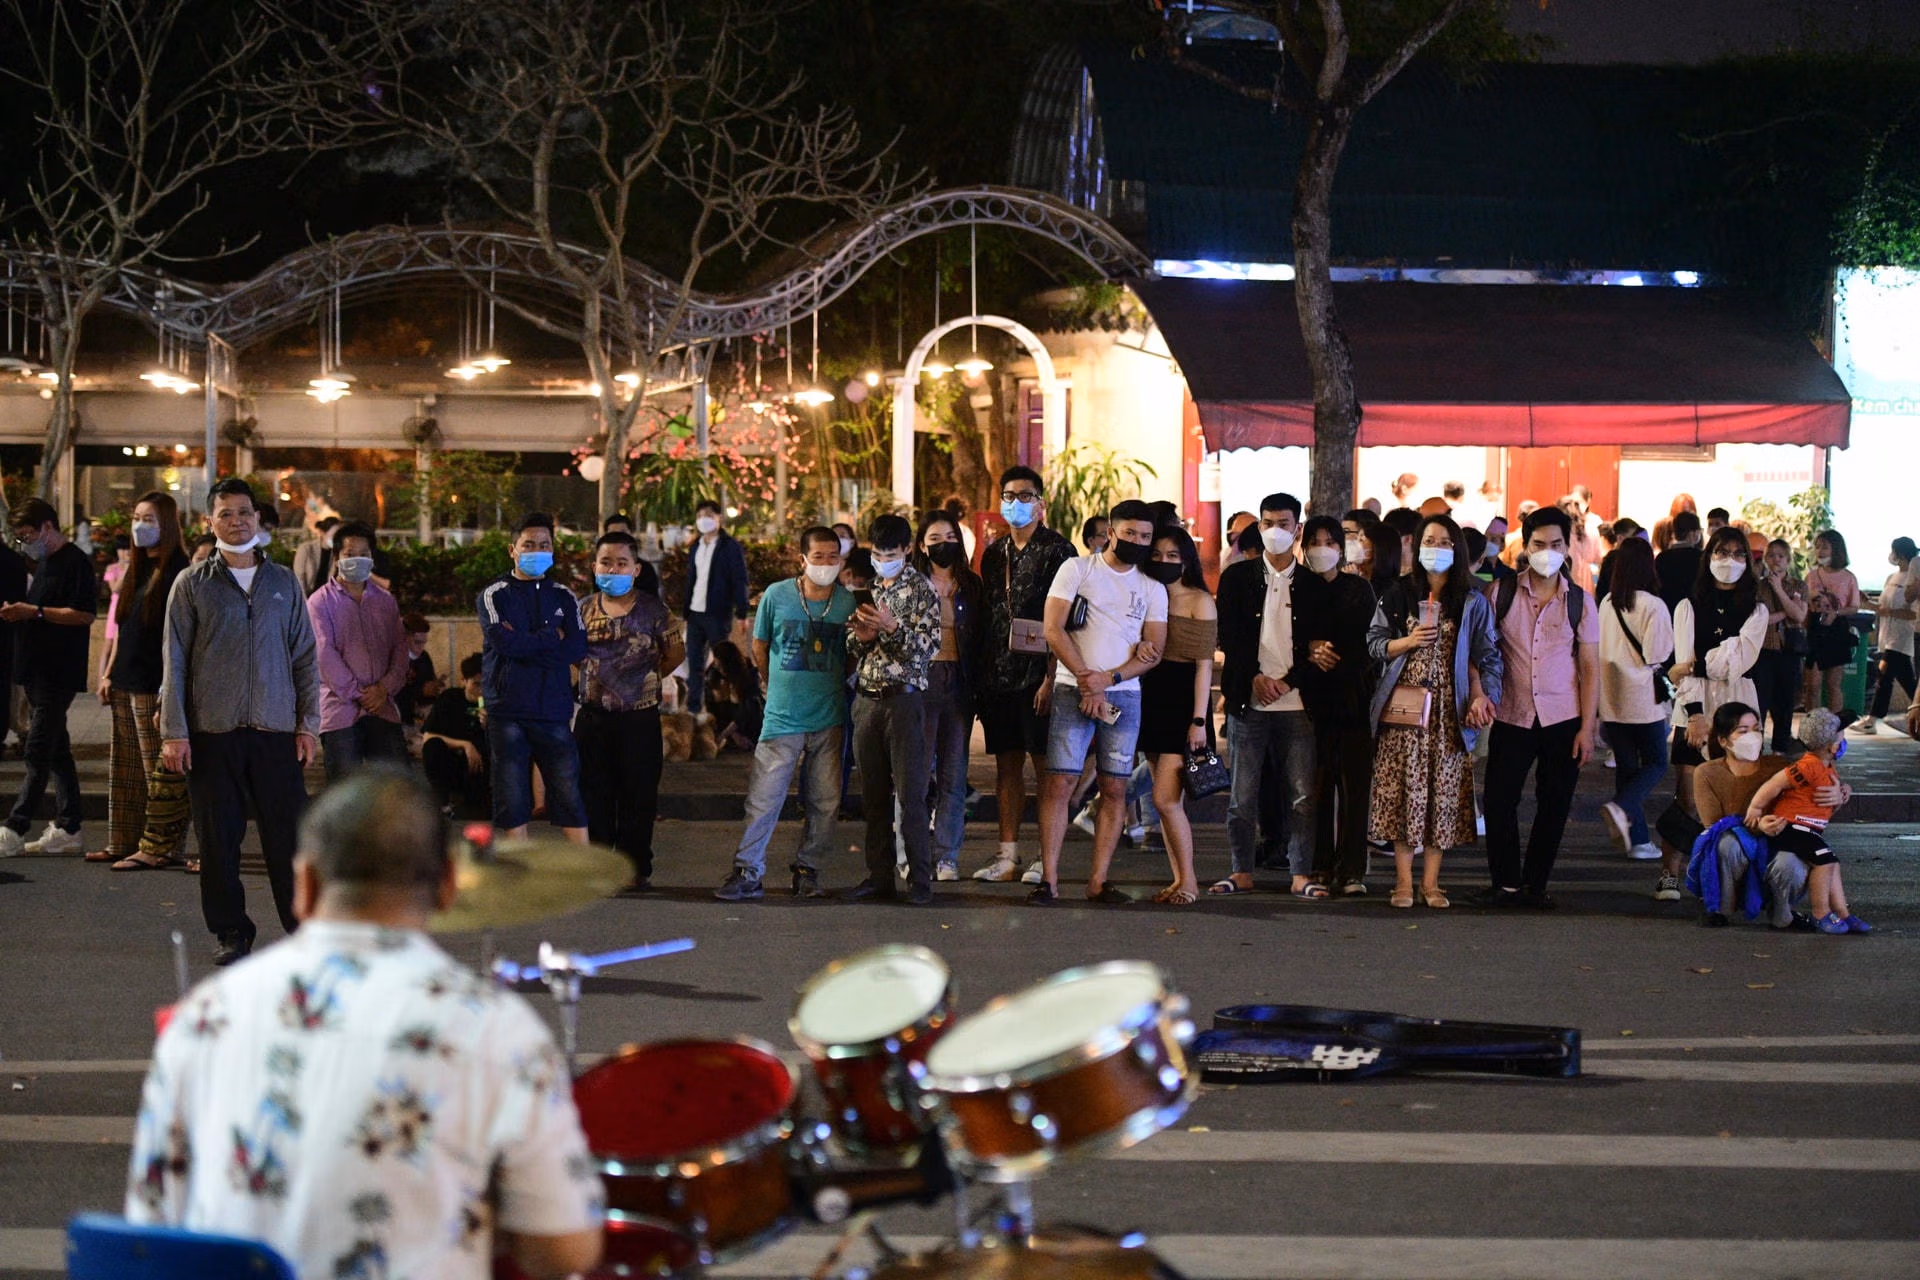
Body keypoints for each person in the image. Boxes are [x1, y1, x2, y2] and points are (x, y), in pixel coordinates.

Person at [125, 767, 604, 1280]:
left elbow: (152, 1231)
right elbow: (566, 1248)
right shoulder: (495, 1028)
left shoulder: (205, 1015)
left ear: (305, 883)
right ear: (447, 886)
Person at [159, 479, 318, 965]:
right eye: (225, 513)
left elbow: (305, 657)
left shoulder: (283, 582)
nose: (237, 521)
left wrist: (308, 724)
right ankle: (231, 932)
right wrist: (174, 732)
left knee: (289, 838)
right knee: (218, 840)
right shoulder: (192, 584)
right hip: (212, 732)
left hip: (274, 730)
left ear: (258, 519)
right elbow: (174, 661)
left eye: (244, 512)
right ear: (210, 521)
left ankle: (304, 929)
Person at [1032, 499, 1166, 904]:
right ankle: (1048, 880)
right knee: (1059, 782)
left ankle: (1098, 881)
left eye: (1145, 536)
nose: (1137, 541)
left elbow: (1154, 650)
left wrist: (1106, 680)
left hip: (1124, 694)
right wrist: (1086, 680)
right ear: (1111, 532)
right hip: (1071, 688)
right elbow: (1052, 628)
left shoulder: (1152, 588)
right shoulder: (1078, 569)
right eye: (1129, 534)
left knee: (1115, 786)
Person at [713, 527, 855, 902]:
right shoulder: (777, 595)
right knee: (764, 797)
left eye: (833, 556)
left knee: (825, 801)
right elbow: (759, 646)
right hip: (782, 717)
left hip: (829, 717)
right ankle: (748, 870)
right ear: (802, 559)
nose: (826, 563)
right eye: (819, 556)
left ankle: (808, 870)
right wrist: (773, 684)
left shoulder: (848, 603)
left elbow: (852, 656)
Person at [1368, 514, 1502, 908]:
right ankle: (1402, 882)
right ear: (1416, 545)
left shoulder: (1473, 600)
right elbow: (1373, 643)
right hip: (1403, 709)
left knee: (1440, 795)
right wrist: (1407, 642)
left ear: (1457, 549)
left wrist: (1485, 696)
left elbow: (1489, 655)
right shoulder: (1398, 593)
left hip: (1449, 712)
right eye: (1429, 541)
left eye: (1445, 542)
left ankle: (1431, 882)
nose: (1436, 549)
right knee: (1403, 793)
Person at [1473, 504, 1598, 909]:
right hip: (1512, 713)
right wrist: (1478, 692)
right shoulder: (1501, 593)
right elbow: (1480, 650)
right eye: (1539, 544)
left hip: (1564, 718)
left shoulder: (1580, 602)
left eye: (1556, 544)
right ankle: (1506, 883)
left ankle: (1536, 885)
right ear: (1525, 547)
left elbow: (1590, 668)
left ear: (1568, 548)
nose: (1548, 552)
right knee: (1499, 800)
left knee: (1555, 803)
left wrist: (1587, 728)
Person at [969, 467, 1076, 884]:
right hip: (998, 674)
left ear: (1041, 503)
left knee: (1047, 768)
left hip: (1040, 674)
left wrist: (1052, 677)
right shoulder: (994, 553)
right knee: (1006, 766)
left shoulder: (1059, 551)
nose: (1016, 503)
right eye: (1009, 496)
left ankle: (1045, 858)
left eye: (1025, 495)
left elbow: (1068, 621)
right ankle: (1007, 855)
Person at [1212, 492, 1317, 898]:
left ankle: (1300, 872)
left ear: (1297, 529)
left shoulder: (1312, 584)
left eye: (1284, 524)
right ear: (1259, 526)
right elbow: (1229, 636)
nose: (1276, 531)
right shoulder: (1236, 578)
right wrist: (1254, 677)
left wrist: (1288, 681)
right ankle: (1240, 870)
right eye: (1268, 523)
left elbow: (1318, 646)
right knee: (1242, 795)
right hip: (1248, 700)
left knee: (1302, 795)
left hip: (1298, 703)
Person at [1661, 526, 1769, 900]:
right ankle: (1669, 873)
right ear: (1708, 557)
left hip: (1739, 705)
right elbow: (1684, 660)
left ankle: (1730, 878)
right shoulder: (1688, 606)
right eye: (1722, 553)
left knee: (1738, 796)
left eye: (1738, 554)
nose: (1730, 561)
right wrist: (1694, 714)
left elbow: (1738, 662)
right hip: (1695, 706)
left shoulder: (1757, 609)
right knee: (1689, 797)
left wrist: (1691, 667)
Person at [576, 530, 684, 893]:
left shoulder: (655, 611)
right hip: (593, 718)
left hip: (639, 719)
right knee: (594, 795)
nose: (613, 569)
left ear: (636, 569)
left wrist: (643, 680)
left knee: (638, 796)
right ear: (594, 567)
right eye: (606, 562)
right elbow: (573, 656)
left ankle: (634, 868)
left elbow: (674, 654)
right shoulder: (582, 609)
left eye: (622, 563)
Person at [842, 514, 941, 905]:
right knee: (873, 795)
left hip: (903, 700)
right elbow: (853, 645)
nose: (883, 561)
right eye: (878, 554)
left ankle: (920, 881)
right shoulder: (870, 589)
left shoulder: (922, 590)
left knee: (911, 796)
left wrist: (892, 628)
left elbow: (927, 649)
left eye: (891, 554)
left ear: (908, 550)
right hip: (866, 699)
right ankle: (879, 876)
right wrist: (863, 636)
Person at [91, 493, 190, 871]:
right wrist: (108, 673)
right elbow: (121, 628)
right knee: (125, 770)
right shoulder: (136, 568)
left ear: (167, 524)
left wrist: (169, 692)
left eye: (149, 519)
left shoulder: (178, 570)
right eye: (136, 517)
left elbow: (176, 638)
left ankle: (163, 846)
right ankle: (123, 841)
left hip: (153, 683)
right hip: (125, 678)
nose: (139, 525)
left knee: (158, 772)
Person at [478, 513, 587, 842]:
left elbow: (576, 648)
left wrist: (527, 643)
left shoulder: (564, 596)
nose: (536, 551)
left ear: (552, 550)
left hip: (553, 707)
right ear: (512, 550)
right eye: (528, 545)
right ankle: (518, 862)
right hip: (507, 709)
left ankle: (583, 862)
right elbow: (505, 644)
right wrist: (552, 636)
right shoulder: (494, 595)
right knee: (510, 793)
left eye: (544, 545)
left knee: (568, 790)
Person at [0, 498, 98, 858]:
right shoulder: (44, 563)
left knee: (38, 749)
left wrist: (34, 612)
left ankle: (16, 825)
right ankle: (69, 826)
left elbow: (84, 614)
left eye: (28, 535)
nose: (26, 543)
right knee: (56, 751)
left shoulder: (75, 562)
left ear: (47, 527)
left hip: (58, 672)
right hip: (36, 671)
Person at [1292, 515, 1380, 897]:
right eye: (1314, 542)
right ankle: (1320, 863)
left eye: (1330, 542)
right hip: (1310, 699)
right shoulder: (1297, 587)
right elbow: (1289, 635)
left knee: (1355, 786)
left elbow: (1368, 640)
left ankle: (1353, 868)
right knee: (1317, 785)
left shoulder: (1358, 588)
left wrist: (1328, 651)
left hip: (1353, 698)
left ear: (1341, 550)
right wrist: (1308, 649)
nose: (1322, 549)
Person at [1137, 525, 1216, 904]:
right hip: (1151, 697)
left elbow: (1204, 666)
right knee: (1167, 803)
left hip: (1184, 702)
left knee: (1165, 799)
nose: (1164, 562)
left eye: (1172, 556)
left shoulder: (1200, 600)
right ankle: (1178, 879)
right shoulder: (1147, 593)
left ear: (1186, 561)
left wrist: (1199, 720)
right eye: (1157, 555)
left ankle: (1190, 882)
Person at [1741, 708, 1866, 934]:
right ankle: (1821, 913)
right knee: (1825, 861)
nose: (1843, 743)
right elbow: (1776, 783)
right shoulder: (1808, 766)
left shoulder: (1826, 766)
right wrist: (1756, 808)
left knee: (1832, 862)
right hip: (1792, 827)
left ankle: (1843, 914)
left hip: (1807, 829)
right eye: (1841, 739)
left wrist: (1844, 790)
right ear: (1832, 747)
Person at [1687, 703, 1811, 929]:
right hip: (1737, 850)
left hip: (1776, 841)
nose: (1753, 737)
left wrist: (1839, 792)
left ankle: (1783, 915)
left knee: (1791, 862)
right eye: (1743, 731)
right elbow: (1713, 825)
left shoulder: (1780, 767)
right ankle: (1721, 909)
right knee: (1725, 844)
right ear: (1723, 741)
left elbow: (1808, 802)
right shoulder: (1707, 773)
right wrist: (1756, 826)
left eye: (1756, 729)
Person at [1596, 536, 1675, 876]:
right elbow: (1658, 653)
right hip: (1642, 697)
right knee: (1656, 762)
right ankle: (1622, 805)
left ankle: (1638, 841)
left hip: (1611, 696)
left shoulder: (1607, 602)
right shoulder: (1653, 605)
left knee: (1628, 768)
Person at [914, 511, 986, 882]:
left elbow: (983, 636)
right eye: (935, 538)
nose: (944, 544)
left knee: (953, 775)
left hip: (959, 681)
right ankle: (911, 854)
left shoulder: (971, 585)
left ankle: (947, 857)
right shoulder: (910, 583)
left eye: (950, 537)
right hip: (919, 682)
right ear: (922, 545)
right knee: (914, 774)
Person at [308, 522, 411, 781]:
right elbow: (324, 655)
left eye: (364, 554)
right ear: (336, 558)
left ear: (372, 558)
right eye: (350, 554)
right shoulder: (319, 602)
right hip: (340, 711)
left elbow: (400, 648)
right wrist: (360, 694)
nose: (357, 559)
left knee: (396, 789)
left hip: (383, 707)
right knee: (345, 791)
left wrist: (384, 688)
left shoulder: (386, 601)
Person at [680, 499, 750, 715]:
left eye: (709, 515)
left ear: (719, 518)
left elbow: (739, 579)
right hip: (695, 614)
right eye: (700, 516)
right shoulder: (696, 546)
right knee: (694, 664)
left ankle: (725, 709)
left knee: (723, 664)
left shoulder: (730, 547)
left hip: (717, 613)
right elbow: (691, 579)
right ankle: (694, 710)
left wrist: (742, 612)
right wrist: (686, 612)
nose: (704, 520)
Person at [1753, 538, 1809, 751]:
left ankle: (1781, 747)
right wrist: (1788, 611)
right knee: (1760, 700)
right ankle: (1755, 746)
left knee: (1785, 702)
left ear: (1788, 560)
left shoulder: (1799, 586)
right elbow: (1759, 620)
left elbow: (1800, 616)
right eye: (1771, 555)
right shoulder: (1757, 586)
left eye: (1781, 556)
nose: (1776, 560)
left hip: (1789, 649)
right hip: (1764, 649)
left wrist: (1778, 589)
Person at [421, 653, 490, 818]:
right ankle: (442, 803)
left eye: (486, 684)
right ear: (464, 681)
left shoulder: (494, 703)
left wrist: (489, 727)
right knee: (433, 747)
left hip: (478, 765)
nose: (481, 690)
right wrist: (465, 745)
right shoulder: (450, 698)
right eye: (476, 684)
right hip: (451, 760)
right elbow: (428, 736)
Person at [1860, 536, 1918, 732]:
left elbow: (1913, 612)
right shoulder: (1891, 578)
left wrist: (1890, 612)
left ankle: (1872, 719)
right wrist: (1867, 603)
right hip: (1887, 634)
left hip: (1903, 636)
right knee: (1906, 680)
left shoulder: (1913, 577)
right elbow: (1882, 608)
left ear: (1900, 554)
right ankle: (1914, 713)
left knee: (1884, 674)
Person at [1803, 529, 1863, 715]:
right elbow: (1803, 603)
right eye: (1817, 547)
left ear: (1836, 549)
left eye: (1825, 547)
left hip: (1837, 630)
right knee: (1812, 685)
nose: (1819, 551)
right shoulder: (1811, 576)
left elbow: (1854, 607)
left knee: (1833, 684)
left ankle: (1836, 727)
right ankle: (1812, 725)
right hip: (1815, 629)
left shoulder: (1849, 577)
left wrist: (1835, 613)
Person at [398, 613, 443, 726]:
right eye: (417, 642)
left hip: (418, 715)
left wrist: (434, 688)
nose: (421, 648)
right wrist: (420, 691)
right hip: (398, 717)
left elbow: (427, 685)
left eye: (424, 643)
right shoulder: (392, 659)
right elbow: (390, 694)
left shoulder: (424, 657)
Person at [99, 533, 132, 688]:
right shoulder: (112, 568)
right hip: (115, 608)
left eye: (128, 548)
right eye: (122, 549)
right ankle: (101, 681)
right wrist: (125, 570)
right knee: (109, 644)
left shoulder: (136, 568)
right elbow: (115, 588)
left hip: (130, 607)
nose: (126, 552)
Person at [1655, 510, 1703, 614]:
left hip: (1668, 610)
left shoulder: (1661, 558)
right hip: (1694, 611)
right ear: (1693, 533)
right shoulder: (1701, 557)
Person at [291, 514, 341, 595]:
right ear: (323, 533)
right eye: (333, 535)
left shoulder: (335, 553)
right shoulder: (306, 549)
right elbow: (299, 577)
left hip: (324, 597)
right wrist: (305, 600)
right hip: (306, 595)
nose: (336, 539)